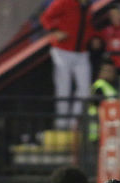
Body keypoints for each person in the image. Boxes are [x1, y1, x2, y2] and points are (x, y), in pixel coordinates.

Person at [40, 0, 96, 129]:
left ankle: (72, 123)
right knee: (63, 89)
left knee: (85, 89)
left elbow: (88, 27)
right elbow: (45, 17)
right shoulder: (64, 2)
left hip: (82, 52)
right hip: (62, 50)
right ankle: (61, 125)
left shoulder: (88, 7)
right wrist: (55, 31)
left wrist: (94, 38)